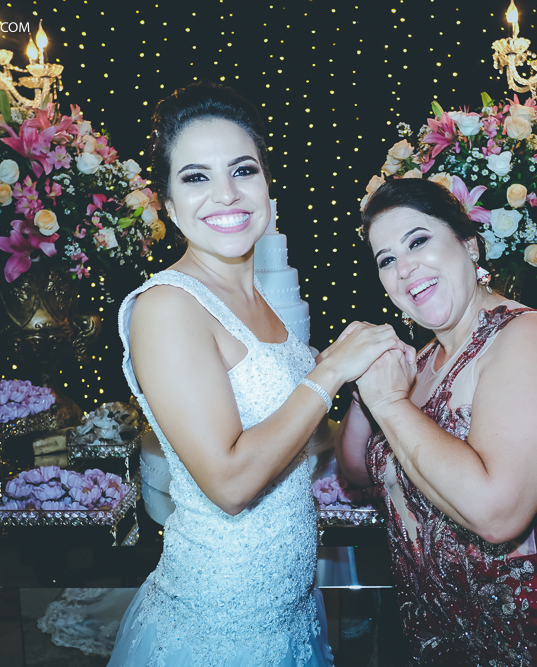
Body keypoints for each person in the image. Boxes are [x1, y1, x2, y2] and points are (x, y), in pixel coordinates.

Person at [109, 82, 405, 666]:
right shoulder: (169, 306)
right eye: (196, 177)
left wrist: (373, 397)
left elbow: (291, 439)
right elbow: (230, 482)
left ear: (267, 186)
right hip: (221, 627)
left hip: (288, 610)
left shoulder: (263, 302)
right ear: (168, 204)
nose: (226, 193)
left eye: (243, 170)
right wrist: (328, 374)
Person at [337, 178, 537, 666]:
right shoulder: (422, 359)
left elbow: (498, 514)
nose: (404, 267)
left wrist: (390, 405)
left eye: (418, 241)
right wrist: (363, 382)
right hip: (437, 645)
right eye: (386, 260)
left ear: (469, 245)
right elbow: (358, 471)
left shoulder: (529, 339)